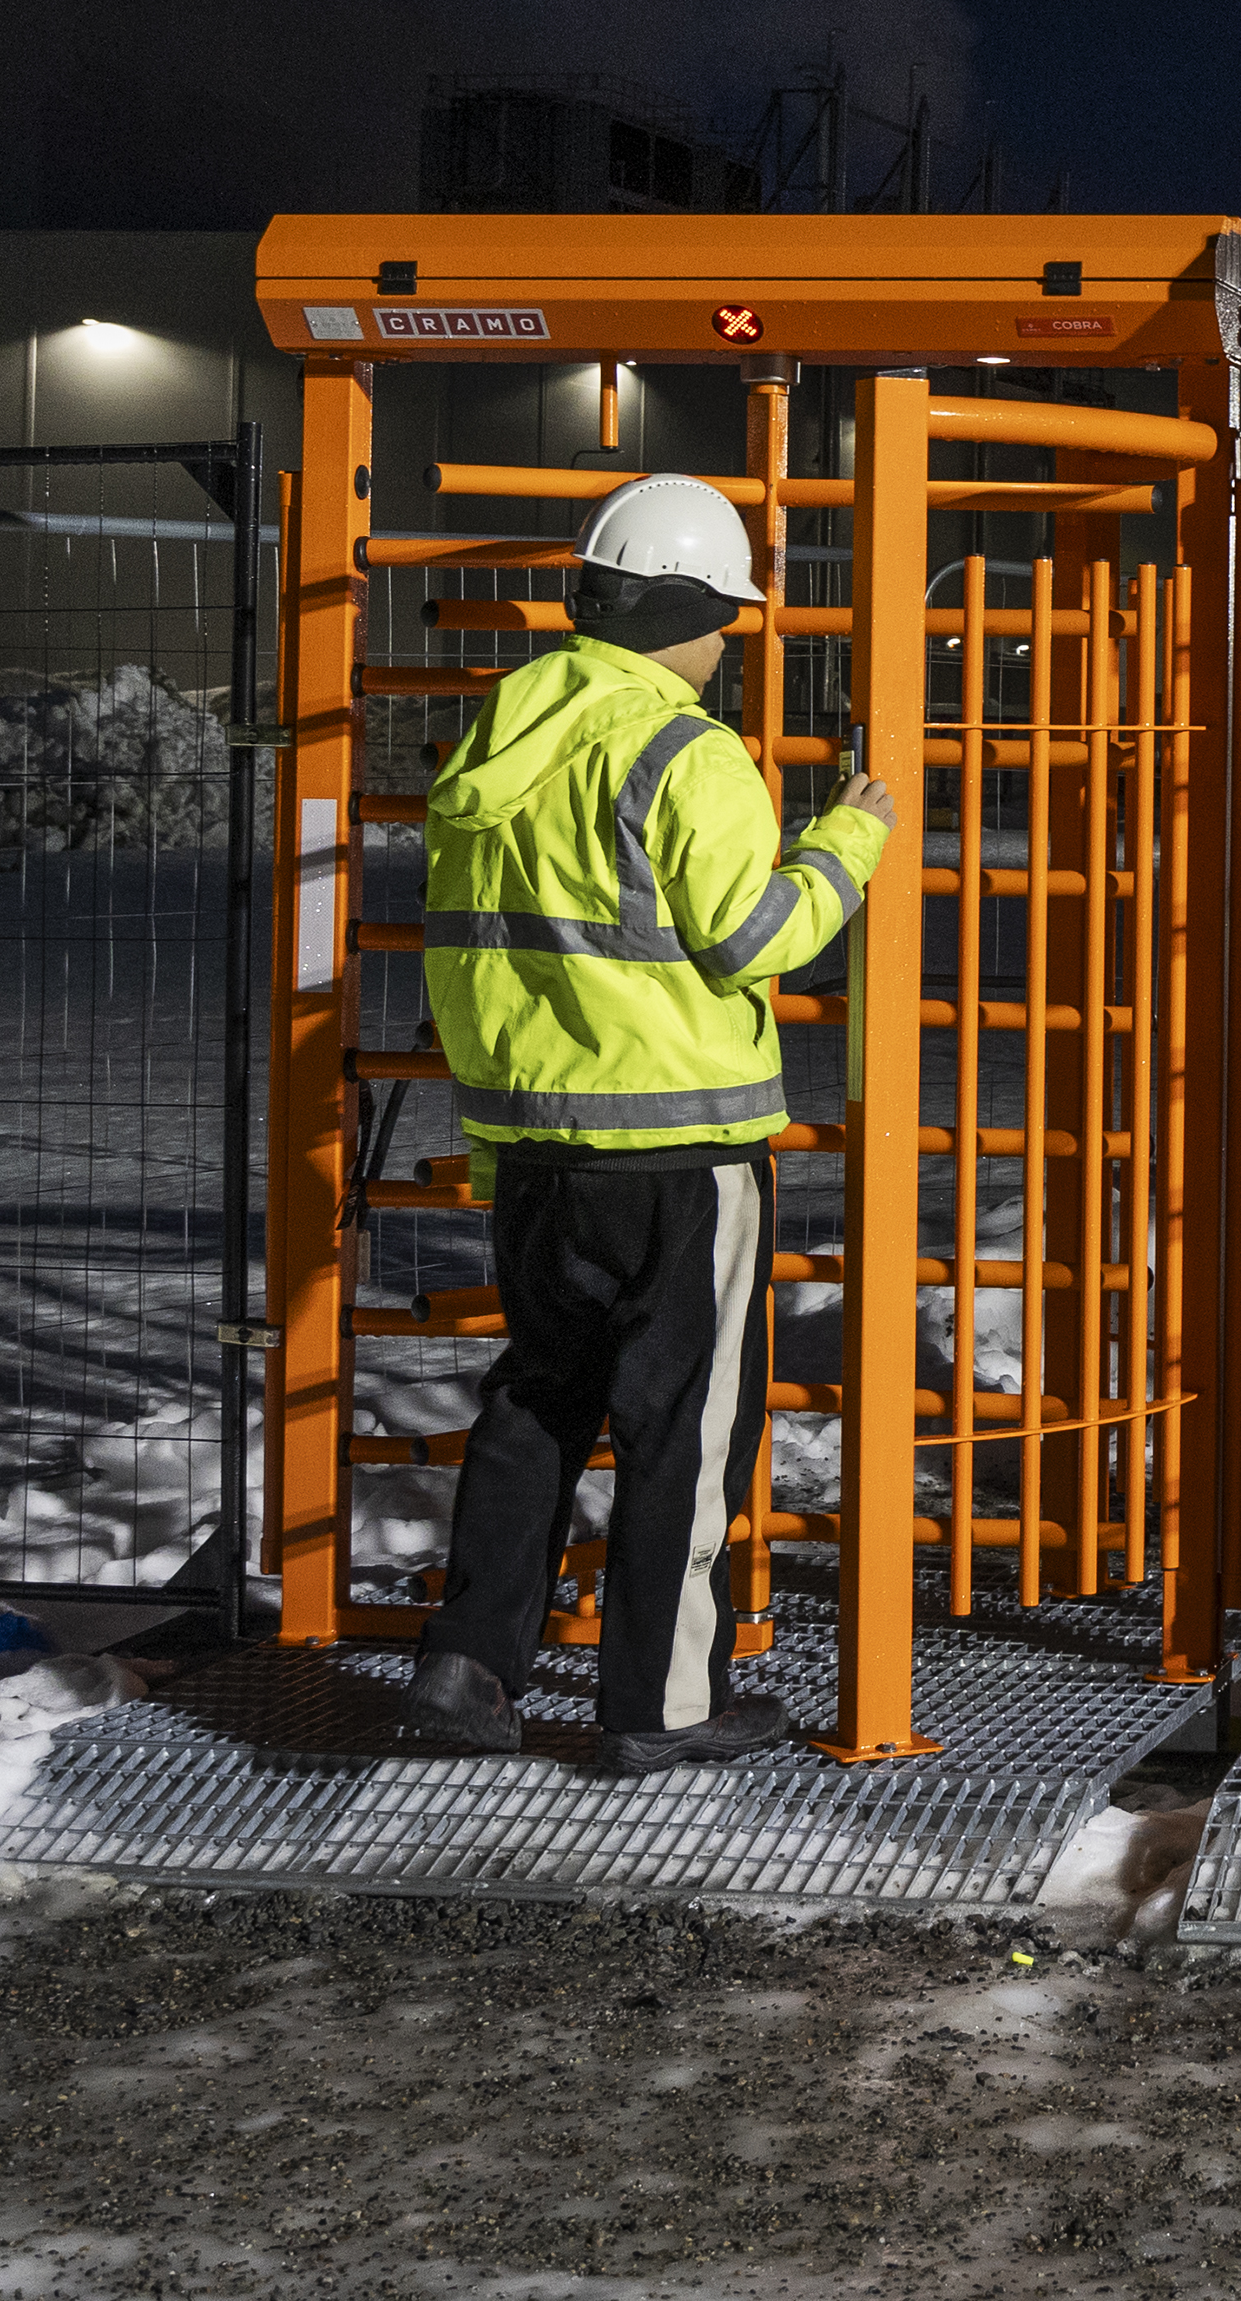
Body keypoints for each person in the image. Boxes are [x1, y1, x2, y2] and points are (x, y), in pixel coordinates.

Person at [391, 471, 900, 1774]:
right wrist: (847, 839)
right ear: (680, 610)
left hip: (534, 1150)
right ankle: (661, 1704)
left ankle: (465, 1665)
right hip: (681, 1158)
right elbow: (752, 935)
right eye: (725, 617)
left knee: (537, 1403)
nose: (729, 642)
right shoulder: (685, 748)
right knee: (684, 1429)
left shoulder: (496, 741)